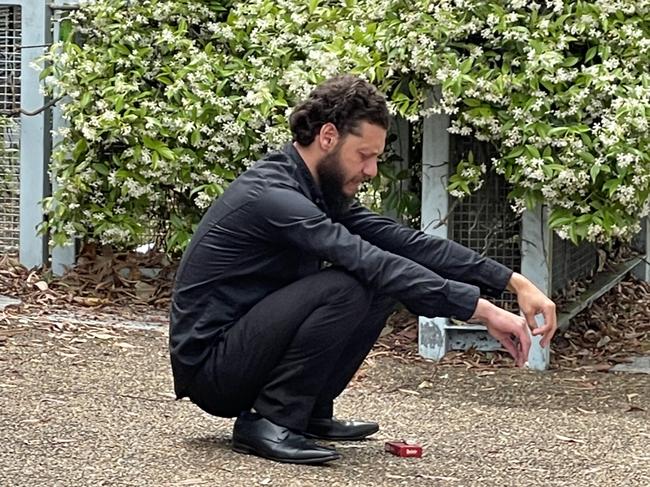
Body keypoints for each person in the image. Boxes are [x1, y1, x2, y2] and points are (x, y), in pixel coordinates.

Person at [169, 75, 557, 465]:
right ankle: (269, 421)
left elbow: (403, 242)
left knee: (381, 283)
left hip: (245, 351)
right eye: (364, 155)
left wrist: (511, 281)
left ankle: (309, 412)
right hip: (213, 369)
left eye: (376, 158)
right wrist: (482, 311)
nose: (371, 170)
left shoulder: (316, 190)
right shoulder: (275, 196)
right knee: (350, 284)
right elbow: (367, 259)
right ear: (327, 137)